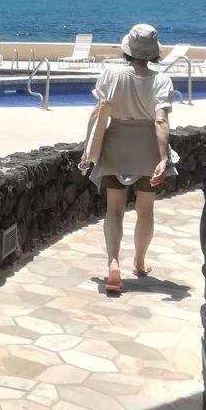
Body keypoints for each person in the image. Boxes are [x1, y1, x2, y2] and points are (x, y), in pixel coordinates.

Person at [80, 24, 176, 295]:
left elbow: (97, 114)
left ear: (127, 50)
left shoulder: (111, 74)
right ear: (154, 52)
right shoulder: (162, 80)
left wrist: (88, 151)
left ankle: (113, 264)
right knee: (146, 209)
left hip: (116, 145)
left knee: (114, 209)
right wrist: (163, 157)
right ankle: (140, 262)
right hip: (147, 146)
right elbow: (160, 120)